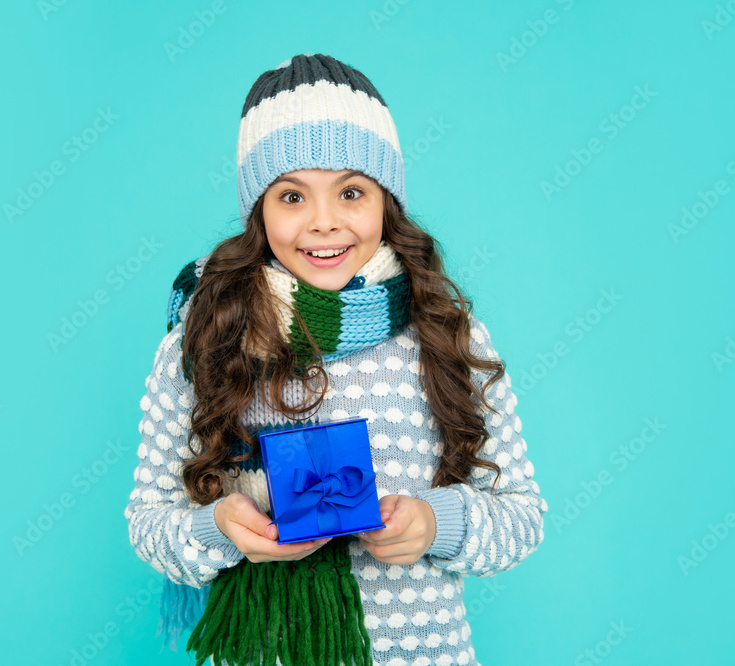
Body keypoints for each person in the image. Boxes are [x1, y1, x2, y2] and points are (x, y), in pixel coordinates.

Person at [125, 52, 549, 666]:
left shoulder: (446, 333)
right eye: (292, 196)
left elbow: (521, 518)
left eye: (351, 191)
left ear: (387, 201)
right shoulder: (206, 335)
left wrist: (436, 525)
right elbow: (149, 523)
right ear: (258, 211)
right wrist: (220, 530)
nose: (323, 223)